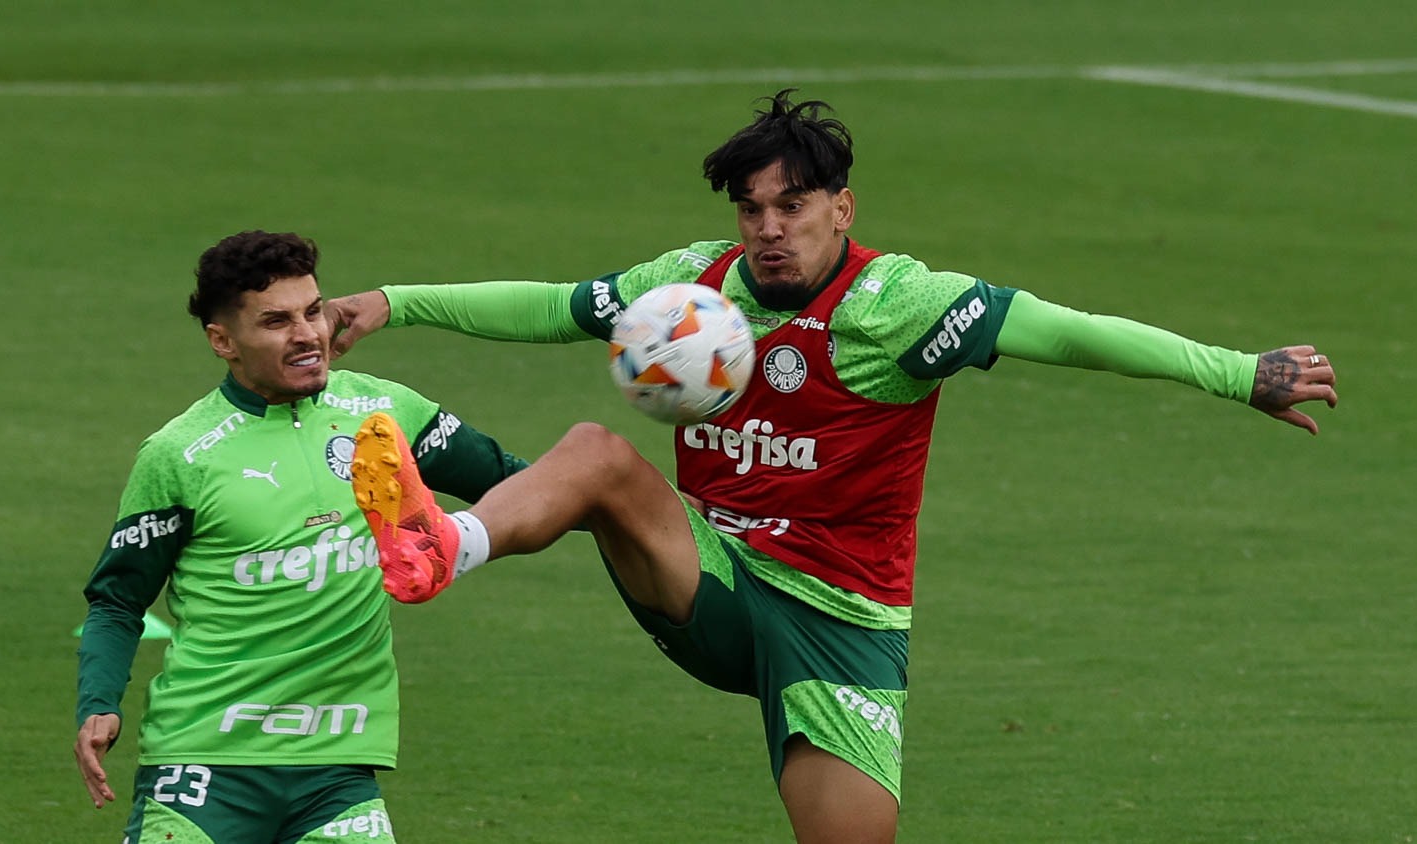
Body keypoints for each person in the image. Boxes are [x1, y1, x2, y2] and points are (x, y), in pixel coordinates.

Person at [326, 90, 1339, 843]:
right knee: (599, 456)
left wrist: (1237, 372)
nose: (769, 228)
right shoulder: (697, 288)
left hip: (844, 622)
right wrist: (391, 300)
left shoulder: (896, 307)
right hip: (714, 579)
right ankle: (442, 543)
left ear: (841, 210)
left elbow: (1068, 333)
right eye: (752, 209)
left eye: (793, 205)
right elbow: (558, 305)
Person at [73, 230, 527, 843]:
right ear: (223, 341)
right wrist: (99, 702)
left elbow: (520, 486)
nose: (308, 334)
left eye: (313, 311)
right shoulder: (180, 455)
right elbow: (119, 599)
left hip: (338, 770)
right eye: (277, 321)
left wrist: (652, 505)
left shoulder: (384, 412)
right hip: (206, 763)